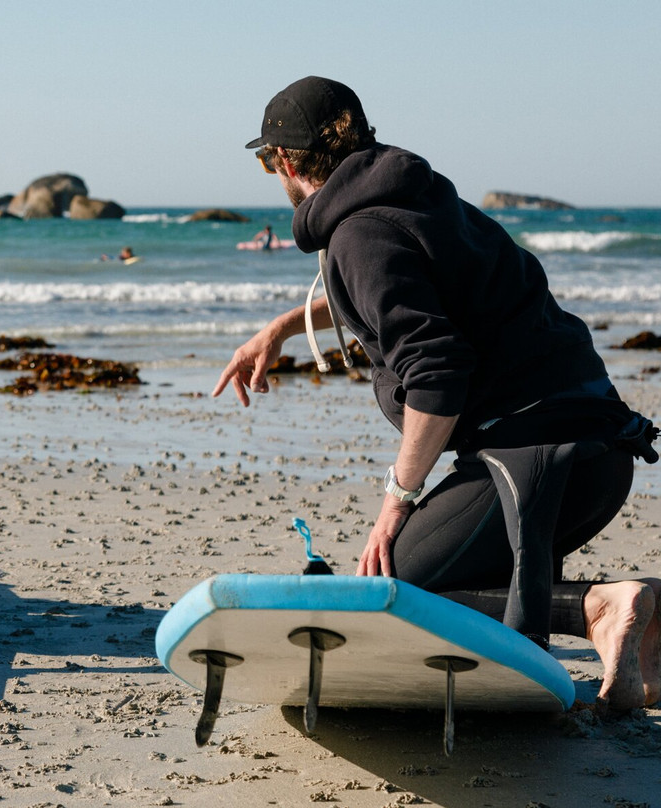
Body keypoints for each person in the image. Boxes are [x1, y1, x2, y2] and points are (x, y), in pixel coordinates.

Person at [213, 76, 661, 711]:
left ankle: (601, 608)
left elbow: (436, 373)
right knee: (451, 563)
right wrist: (281, 328)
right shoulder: (422, 197)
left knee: (398, 586)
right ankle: (645, 637)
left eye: (268, 164)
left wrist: (396, 501)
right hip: (601, 456)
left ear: (285, 161)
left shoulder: (358, 234)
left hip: (536, 470)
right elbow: (413, 290)